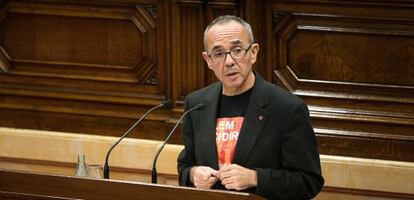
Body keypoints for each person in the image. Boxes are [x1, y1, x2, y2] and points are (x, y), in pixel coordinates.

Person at [177, 15, 324, 200]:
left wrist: (256, 178)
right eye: (219, 53)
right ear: (208, 60)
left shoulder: (287, 109)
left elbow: (309, 181)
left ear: (253, 52)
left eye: (237, 50)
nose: (229, 61)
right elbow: (185, 166)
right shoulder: (196, 104)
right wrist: (193, 174)